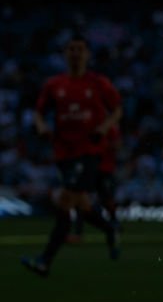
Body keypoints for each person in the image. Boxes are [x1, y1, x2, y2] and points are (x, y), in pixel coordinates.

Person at [21, 35, 123, 276]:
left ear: (87, 54)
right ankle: (110, 229)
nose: (76, 53)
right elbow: (38, 112)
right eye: (71, 49)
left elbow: (117, 109)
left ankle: (45, 261)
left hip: (89, 151)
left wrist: (104, 128)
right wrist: (41, 126)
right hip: (64, 152)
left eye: (80, 49)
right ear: (65, 54)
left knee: (65, 201)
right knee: (82, 204)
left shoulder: (98, 83)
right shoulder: (54, 84)